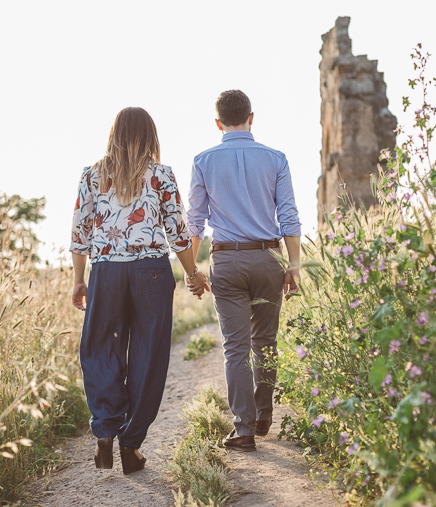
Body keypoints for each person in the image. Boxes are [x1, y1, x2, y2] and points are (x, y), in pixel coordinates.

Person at [70, 107, 209, 474]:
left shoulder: (92, 175)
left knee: (99, 347)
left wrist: (78, 280)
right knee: (149, 354)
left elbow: (80, 233)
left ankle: (105, 434)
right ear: (150, 135)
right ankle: (130, 447)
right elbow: (177, 232)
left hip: (106, 271)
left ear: (113, 133)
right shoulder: (161, 175)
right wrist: (193, 273)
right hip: (150, 272)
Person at [187, 90, 301, 452]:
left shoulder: (203, 161)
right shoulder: (276, 158)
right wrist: (294, 265)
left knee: (235, 348)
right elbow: (289, 217)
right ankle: (264, 412)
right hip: (269, 258)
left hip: (227, 261)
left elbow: (195, 222)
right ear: (252, 117)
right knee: (265, 341)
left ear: (218, 123)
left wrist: (192, 271)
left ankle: (245, 428)